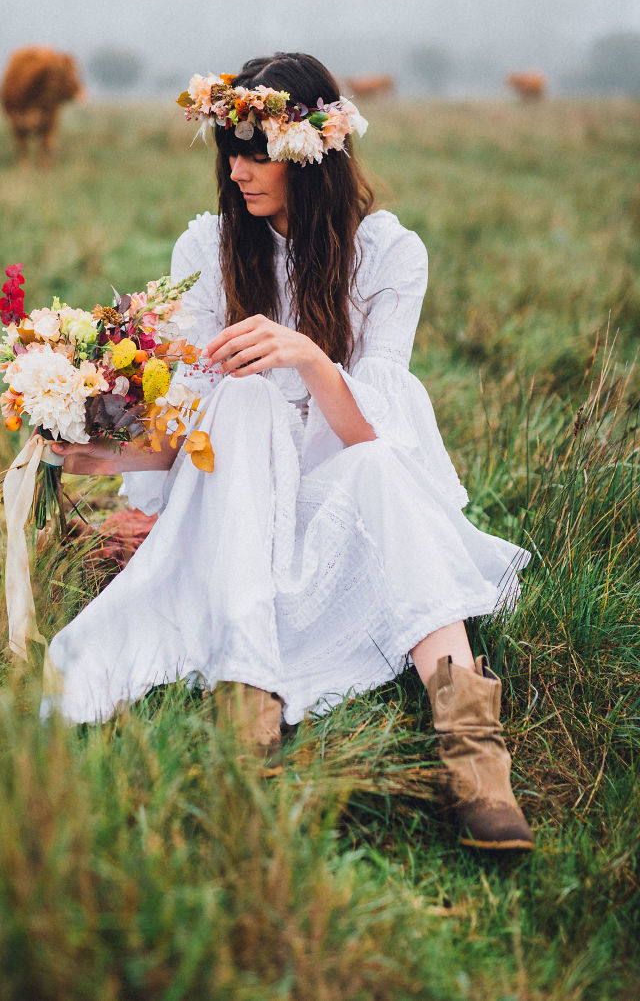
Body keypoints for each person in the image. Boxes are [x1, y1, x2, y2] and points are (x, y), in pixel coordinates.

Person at [41, 52, 534, 852]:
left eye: (256, 151)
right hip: (239, 503)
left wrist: (306, 354)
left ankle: (475, 759)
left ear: (312, 155)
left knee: (373, 464)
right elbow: (192, 434)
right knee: (240, 396)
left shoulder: (386, 255)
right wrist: (101, 453)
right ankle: (250, 708)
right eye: (226, 151)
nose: (236, 170)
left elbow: (375, 429)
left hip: (345, 482)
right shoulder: (208, 251)